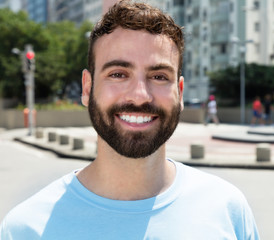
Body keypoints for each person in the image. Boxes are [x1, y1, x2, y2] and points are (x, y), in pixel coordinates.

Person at [0, 1, 259, 239]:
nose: (139, 96)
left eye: (159, 76)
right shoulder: (25, 229)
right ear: (87, 88)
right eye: (118, 74)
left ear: (180, 92)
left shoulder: (228, 210)